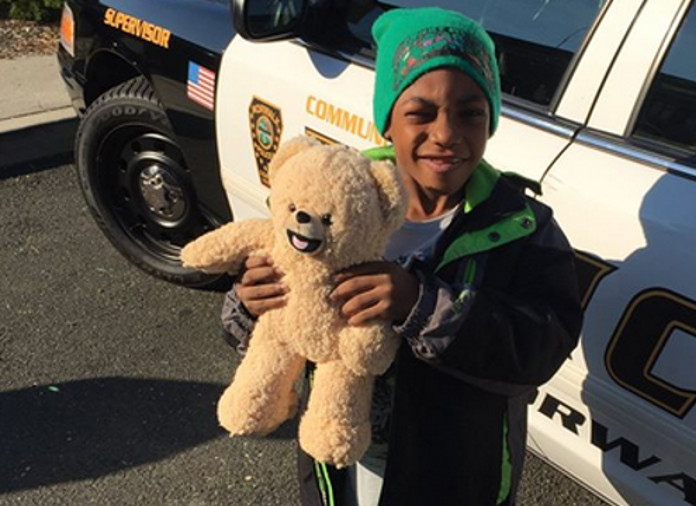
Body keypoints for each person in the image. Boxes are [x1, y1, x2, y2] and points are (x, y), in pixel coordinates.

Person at [220, 7, 583, 505]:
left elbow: (544, 342)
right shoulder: (334, 202)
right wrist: (247, 302)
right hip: (342, 450)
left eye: (469, 112)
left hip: (456, 472)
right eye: (420, 112)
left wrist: (423, 304)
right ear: (388, 120)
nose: (446, 133)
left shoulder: (520, 227)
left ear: (490, 121)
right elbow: (275, 308)